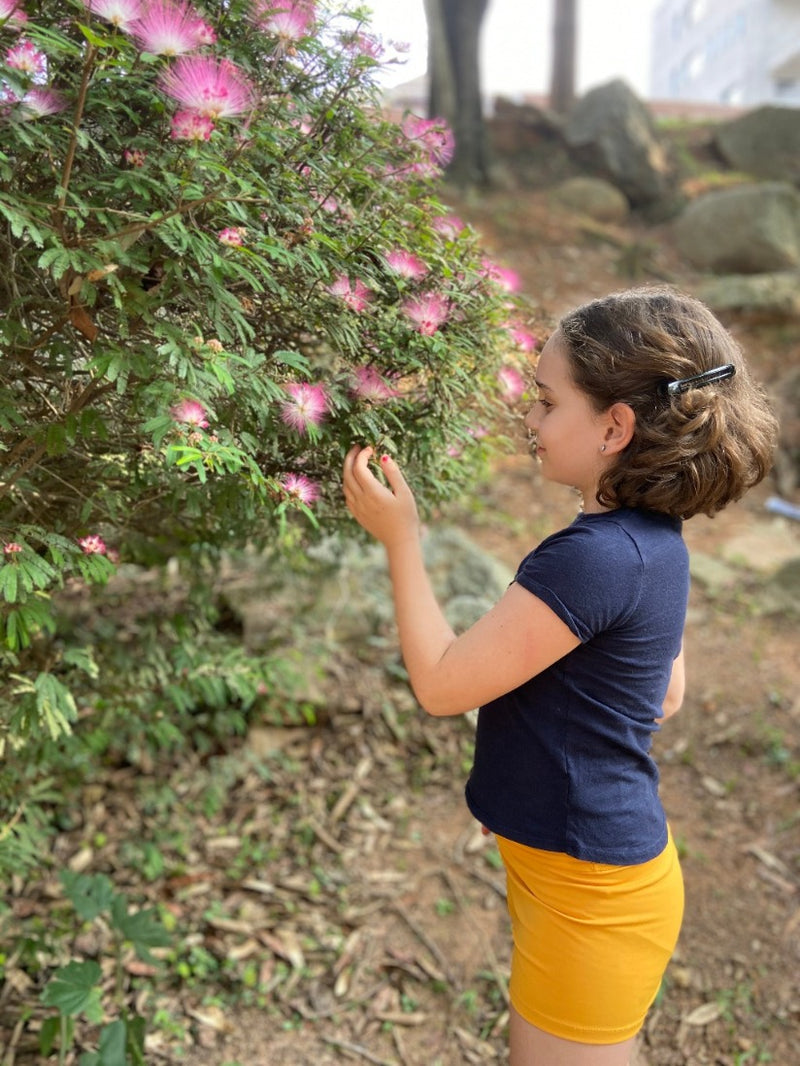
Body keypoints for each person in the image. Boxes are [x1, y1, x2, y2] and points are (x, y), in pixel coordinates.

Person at [341, 286, 778, 1066]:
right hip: (589, 875)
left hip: (591, 898)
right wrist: (529, 789)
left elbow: (443, 685)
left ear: (616, 426)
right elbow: (660, 694)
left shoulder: (589, 560)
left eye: (546, 402)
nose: (530, 421)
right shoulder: (652, 541)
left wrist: (401, 539)